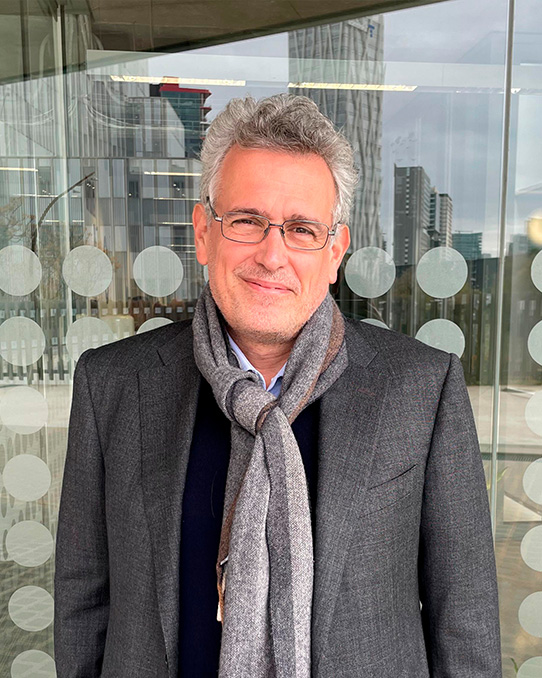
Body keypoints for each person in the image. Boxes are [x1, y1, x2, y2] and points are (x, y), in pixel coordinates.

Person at [54, 94, 502, 677]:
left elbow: (464, 621)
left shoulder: (422, 389)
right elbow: (82, 602)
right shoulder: (112, 385)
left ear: (334, 251)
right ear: (204, 233)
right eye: (247, 221)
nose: (273, 255)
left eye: (301, 229)